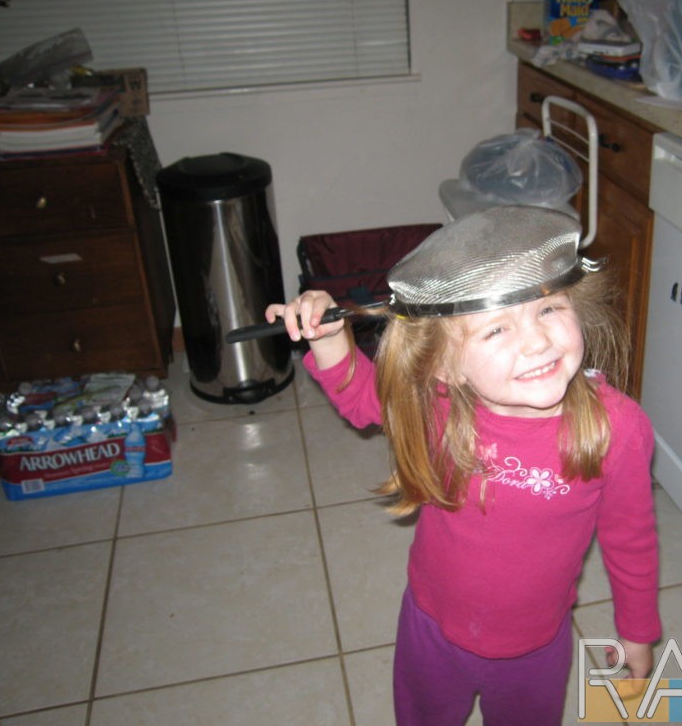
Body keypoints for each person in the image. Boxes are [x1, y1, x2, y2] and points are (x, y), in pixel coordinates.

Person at [265, 206, 660, 726]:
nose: (538, 341)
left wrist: (637, 629)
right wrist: (326, 335)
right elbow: (362, 397)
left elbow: (630, 536)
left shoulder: (617, 428)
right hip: (431, 628)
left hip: (536, 647)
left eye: (548, 309)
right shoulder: (439, 405)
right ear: (445, 363)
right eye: (496, 331)